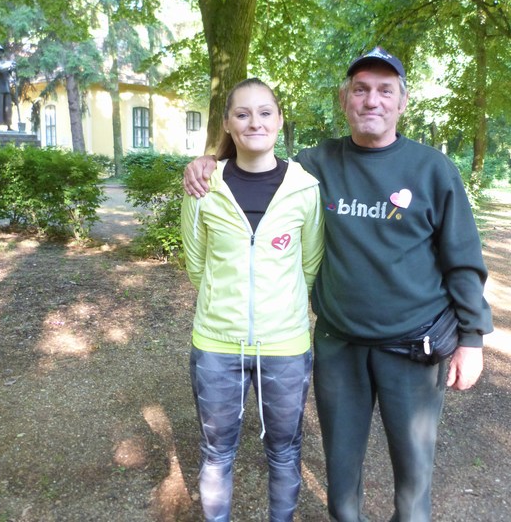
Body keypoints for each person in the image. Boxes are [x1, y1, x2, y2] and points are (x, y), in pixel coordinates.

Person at [184, 48, 493, 522]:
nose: (372, 100)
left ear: (402, 102)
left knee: (414, 479)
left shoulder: (433, 170)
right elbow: (256, 157)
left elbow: (464, 260)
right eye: (361, 89)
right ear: (345, 100)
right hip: (340, 346)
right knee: (341, 478)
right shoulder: (315, 166)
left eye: (385, 90)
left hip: (413, 346)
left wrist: (472, 338)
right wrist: (209, 161)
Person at [180, 78, 325, 522]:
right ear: (227, 123)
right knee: (217, 452)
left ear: (279, 120)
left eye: (265, 112)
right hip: (216, 344)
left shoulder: (306, 189)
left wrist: (278, 310)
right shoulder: (203, 185)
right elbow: (196, 264)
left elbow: (308, 265)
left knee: (284, 451)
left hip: (284, 346)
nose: (254, 122)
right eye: (242, 114)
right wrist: (225, 304)